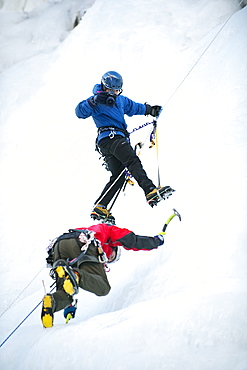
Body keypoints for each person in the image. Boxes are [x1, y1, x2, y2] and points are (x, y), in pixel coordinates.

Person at [75, 71, 174, 223]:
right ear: (104, 87)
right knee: (132, 161)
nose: (114, 93)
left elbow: (134, 107)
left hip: (109, 143)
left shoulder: (120, 100)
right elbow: (79, 112)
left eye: (117, 90)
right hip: (112, 138)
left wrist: (150, 110)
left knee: (119, 176)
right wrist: (93, 101)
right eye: (111, 90)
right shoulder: (95, 101)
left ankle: (100, 206)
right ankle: (150, 191)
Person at [41, 222, 165, 328]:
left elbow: (69, 284)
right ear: (114, 248)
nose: (107, 259)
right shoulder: (105, 230)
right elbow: (130, 239)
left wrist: (69, 308)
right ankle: (76, 274)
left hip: (58, 246)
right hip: (82, 243)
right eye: (111, 256)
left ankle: (52, 303)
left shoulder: (88, 231)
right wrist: (154, 242)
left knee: (67, 287)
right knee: (103, 287)